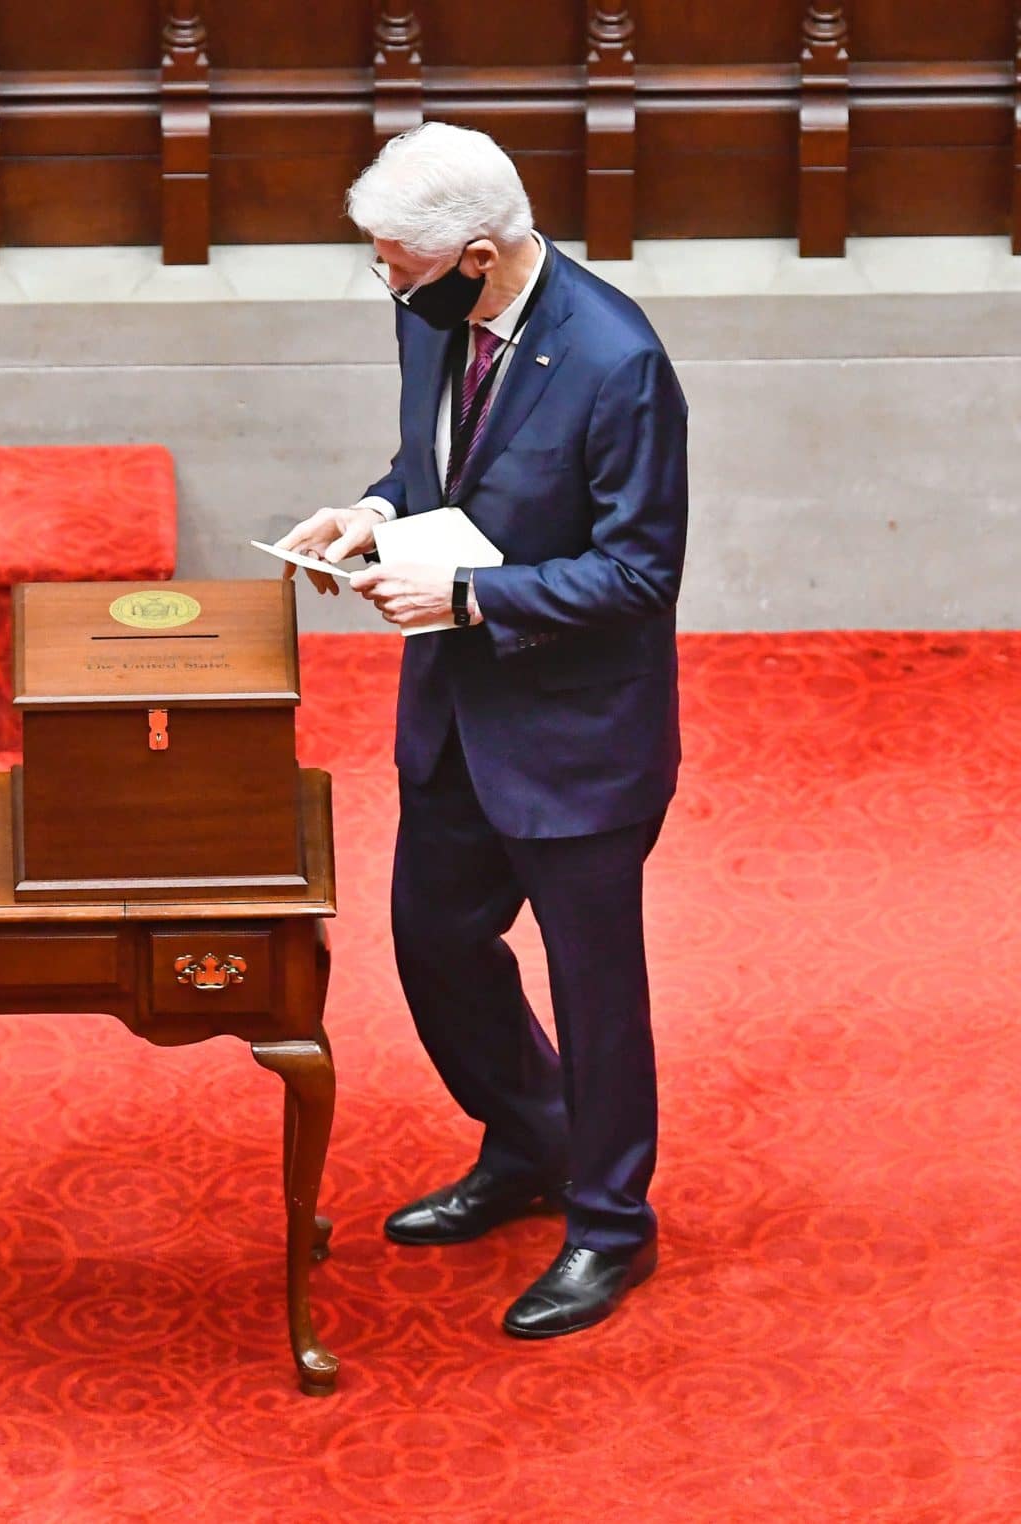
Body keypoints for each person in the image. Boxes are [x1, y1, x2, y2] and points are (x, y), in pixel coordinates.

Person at [277, 123, 686, 1338]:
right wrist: (370, 510)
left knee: (593, 988)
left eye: (395, 263)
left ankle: (609, 1224)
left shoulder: (616, 362)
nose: (382, 281)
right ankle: (529, 1142)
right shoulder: (430, 314)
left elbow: (639, 572)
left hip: (575, 733)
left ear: (475, 256)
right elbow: (437, 465)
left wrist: (466, 598)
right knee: (434, 941)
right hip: (456, 714)